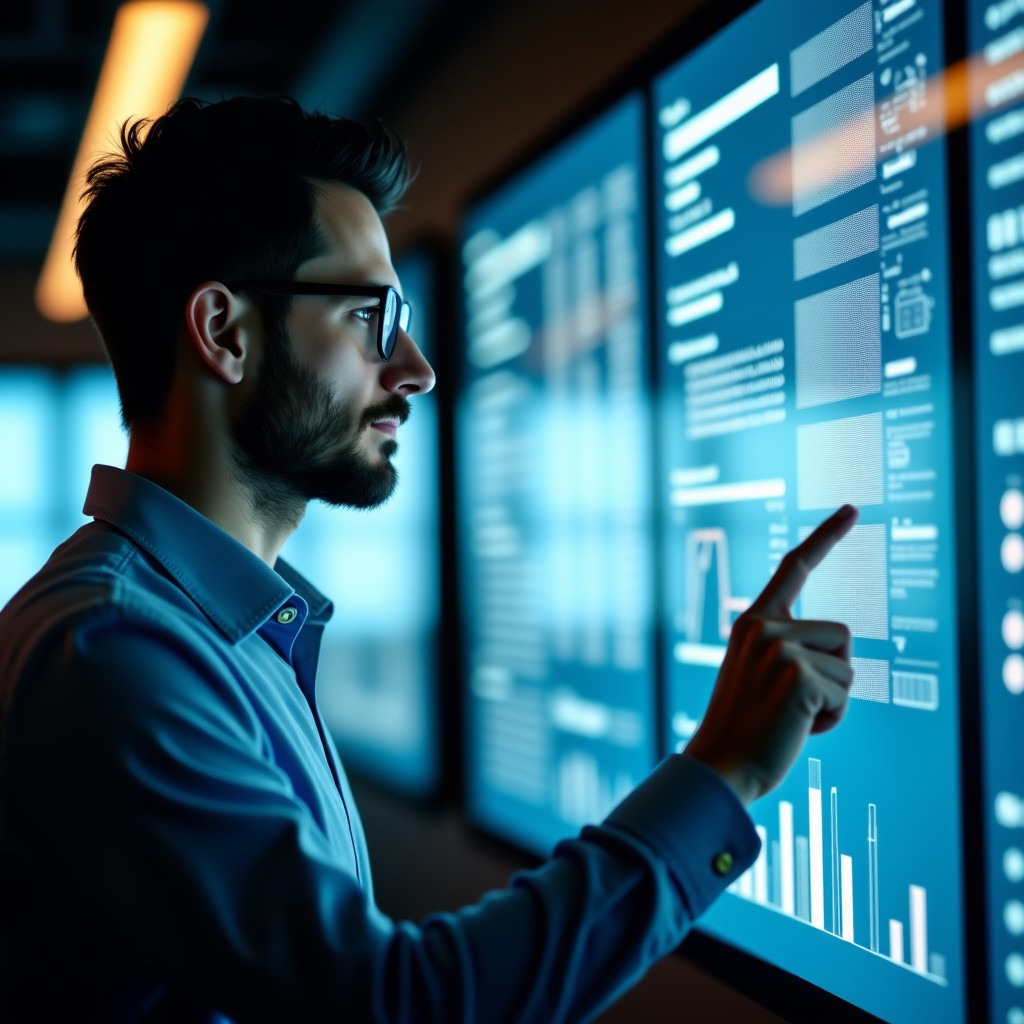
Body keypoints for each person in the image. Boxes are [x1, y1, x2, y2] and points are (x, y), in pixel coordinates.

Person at [0, 96, 858, 1023]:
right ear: (224, 332)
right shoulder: (113, 650)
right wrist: (724, 771)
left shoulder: (212, 631)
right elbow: (400, 1008)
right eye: (373, 314)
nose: (414, 365)